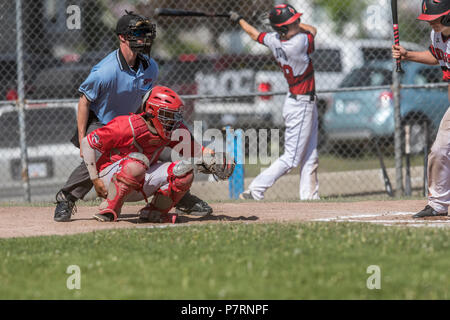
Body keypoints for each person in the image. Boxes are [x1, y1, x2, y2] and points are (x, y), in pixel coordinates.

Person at [54, 11, 212, 222]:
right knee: (95, 157)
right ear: (122, 37)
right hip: (102, 120)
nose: (144, 38)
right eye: (137, 33)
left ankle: (179, 197)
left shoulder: (150, 66)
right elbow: (84, 101)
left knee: (163, 149)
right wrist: (83, 136)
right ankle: (66, 198)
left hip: (133, 119)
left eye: (146, 33)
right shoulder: (105, 71)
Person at [80, 86, 234, 223]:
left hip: (140, 178)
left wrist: (213, 157)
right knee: (137, 163)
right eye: (167, 115)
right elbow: (87, 143)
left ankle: (154, 213)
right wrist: (95, 180)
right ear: (151, 111)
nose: (172, 121)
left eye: (174, 115)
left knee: (184, 171)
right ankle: (110, 209)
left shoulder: (172, 130)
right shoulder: (126, 125)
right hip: (110, 179)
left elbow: (194, 150)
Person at [229, 4, 320, 201]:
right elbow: (313, 30)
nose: (297, 22)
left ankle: (310, 196)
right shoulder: (298, 43)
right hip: (300, 104)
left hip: (303, 101)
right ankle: (256, 189)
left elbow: (254, 35)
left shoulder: (273, 39)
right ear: (284, 29)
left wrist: (239, 20)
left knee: (311, 152)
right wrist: (290, 25)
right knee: (292, 158)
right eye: (293, 21)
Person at [393, 0, 450, 218]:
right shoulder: (437, 35)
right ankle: (437, 204)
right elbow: (437, 56)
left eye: (434, 19)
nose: (430, 24)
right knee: (439, 151)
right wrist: (407, 54)